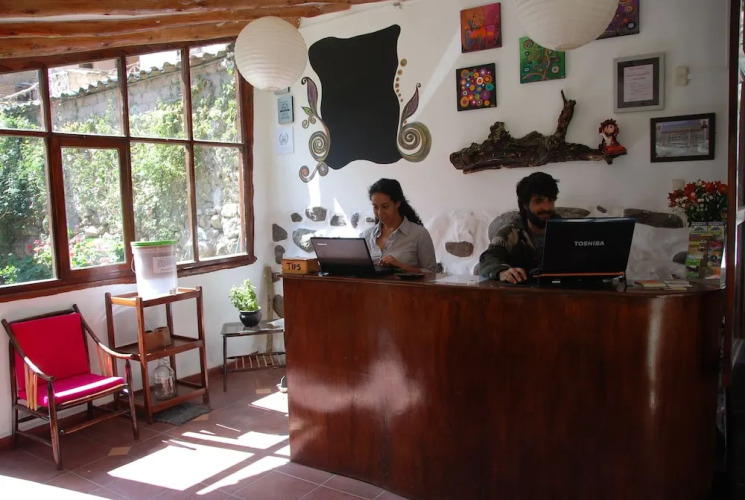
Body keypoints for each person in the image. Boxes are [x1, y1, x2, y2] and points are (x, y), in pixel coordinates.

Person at [479, 172, 559, 283]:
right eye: (538, 201)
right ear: (525, 205)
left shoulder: (568, 231)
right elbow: (488, 258)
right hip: (522, 291)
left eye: (550, 200)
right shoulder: (511, 233)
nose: (547, 207)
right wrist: (502, 271)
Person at [361, 178, 437, 274]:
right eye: (375, 207)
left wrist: (401, 267)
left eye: (385, 206)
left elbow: (432, 273)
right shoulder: (365, 236)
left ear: (397, 203)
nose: (379, 212)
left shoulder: (419, 234)